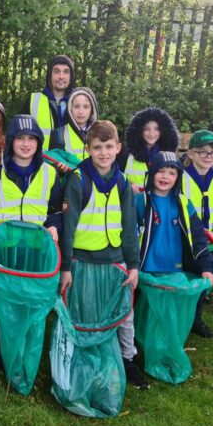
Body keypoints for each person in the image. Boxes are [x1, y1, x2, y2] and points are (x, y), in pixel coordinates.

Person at [58, 120, 146, 389]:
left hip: (115, 261)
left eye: (109, 147)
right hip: (83, 261)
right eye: (97, 148)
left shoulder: (122, 182)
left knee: (123, 313)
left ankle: (127, 358)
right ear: (88, 150)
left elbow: (130, 227)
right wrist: (66, 267)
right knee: (82, 311)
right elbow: (68, 227)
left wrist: (133, 265)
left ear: (118, 148)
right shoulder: (78, 180)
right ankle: (76, 356)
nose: (104, 153)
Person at [0, 114, 63, 371]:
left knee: (29, 300)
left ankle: (27, 347)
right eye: (20, 139)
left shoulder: (50, 174)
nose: (25, 144)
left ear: (38, 143)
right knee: (4, 300)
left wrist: (54, 226)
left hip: (35, 250)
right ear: (11, 141)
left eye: (31, 139)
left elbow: (56, 211)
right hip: (7, 249)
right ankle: (4, 351)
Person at [136, 152, 213, 333]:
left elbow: (198, 237)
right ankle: (136, 344)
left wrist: (206, 267)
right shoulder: (140, 201)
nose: (166, 177)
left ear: (178, 177)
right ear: (151, 173)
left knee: (167, 317)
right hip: (145, 270)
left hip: (174, 269)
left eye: (172, 173)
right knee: (144, 315)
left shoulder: (184, 203)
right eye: (161, 171)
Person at [182, 130, 213, 338]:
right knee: (185, 281)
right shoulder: (180, 178)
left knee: (203, 285)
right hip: (185, 244)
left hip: (210, 244)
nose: (209, 157)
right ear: (191, 154)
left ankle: (196, 320)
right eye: (203, 152)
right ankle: (179, 320)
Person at [21, 55, 76, 149]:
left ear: (71, 77)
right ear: (49, 75)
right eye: (56, 71)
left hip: (72, 161)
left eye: (66, 72)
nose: (61, 77)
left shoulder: (79, 102)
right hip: (42, 160)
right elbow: (19, 134)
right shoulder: (34, 100)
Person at [119, 107, 179, 193]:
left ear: (162, 130)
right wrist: (128, 186)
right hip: (133, 202)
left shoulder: (169, 156)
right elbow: (118, 177)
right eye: (146, 129)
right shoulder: (126, 154)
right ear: (140, 130)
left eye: (156, 129)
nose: (151, 133)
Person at [50, 86, 98, 162]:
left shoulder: (100, 133)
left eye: (86, 107)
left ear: (92, 110)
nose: (81, 111)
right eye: (76, 106)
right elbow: (53, 166)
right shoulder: (58, 134)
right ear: (70, 108)